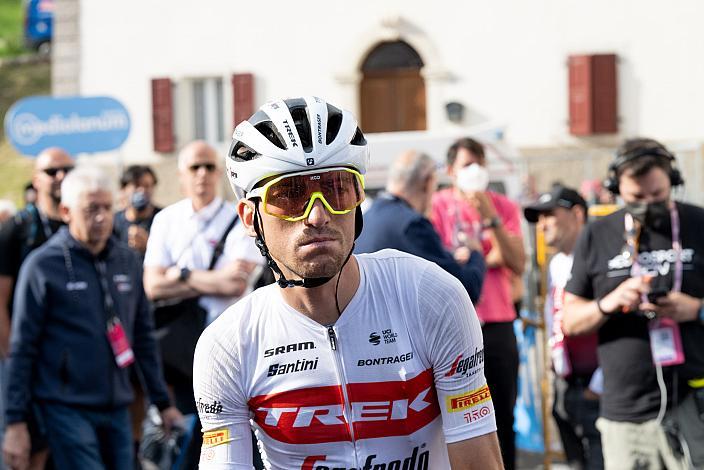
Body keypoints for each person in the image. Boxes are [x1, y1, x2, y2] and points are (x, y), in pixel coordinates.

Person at [193, 96, 503, 469]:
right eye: (290, 196)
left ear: (359, 198)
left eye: (337, 188)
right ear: (250, 217)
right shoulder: (228, 344)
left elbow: (478, 461)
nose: (317, 215)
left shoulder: (430, 296)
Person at [2, 167, 182, 470]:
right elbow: (22, 348)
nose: (101, 217)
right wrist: (14, 422)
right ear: (66, 211)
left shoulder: (126, 260)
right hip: (66, 407)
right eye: (90, 209)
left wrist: (162, 402)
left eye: (106, 207)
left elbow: (142, 337)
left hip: (118, 406)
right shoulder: (42, 266)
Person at [563, 138, 704, 470]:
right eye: (636, 198)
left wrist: (696, 309)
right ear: (616, 189)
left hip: (694, 404)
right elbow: (569, 319)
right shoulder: (596, 235)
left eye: (657, 195)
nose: (648, 204)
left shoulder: (699, 224)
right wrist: (607, 304)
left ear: (673, 181)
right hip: (625, 415)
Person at [430, 137, 525, 470]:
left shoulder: (502, 206)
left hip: (498, 323)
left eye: (479, 164)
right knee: (454, 420)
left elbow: (516, 260)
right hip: (453, 326)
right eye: (466, 164)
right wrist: (487, 256)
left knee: (503, 416)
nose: (474, 171)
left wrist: (488, 221)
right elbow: (441, 260)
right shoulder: (436, 205)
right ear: (450, 171)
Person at [0, 148, 74, 469]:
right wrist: (11, 357)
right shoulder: (17, 228)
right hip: (28, 356)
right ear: (36, 179)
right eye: (52, 171)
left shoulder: (79, 226)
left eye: (67, 169)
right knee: (32, 448)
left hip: (73, 363)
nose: (60, 177)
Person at [524, 185, 603, 469]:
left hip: (597, 387)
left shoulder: (602, 258)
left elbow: (619, 322)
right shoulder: (556, 263)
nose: (542, 225)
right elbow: (554, 320)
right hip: (566, 387)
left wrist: (601, 383)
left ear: (577, 214)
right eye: (539, 218)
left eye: (549, 215)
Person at [355, 150, 485, 302]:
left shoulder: (369, 216)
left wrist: (449, 259)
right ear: (427, 182)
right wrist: (476, 254)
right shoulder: (412, 225)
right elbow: (464, 290)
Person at [113, 165, 161, 258]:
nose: (142, 191)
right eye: (136, 185)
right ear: (123, 190)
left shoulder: (164, 218)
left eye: (147, 186)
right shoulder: (112, 223)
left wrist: (149, 246)